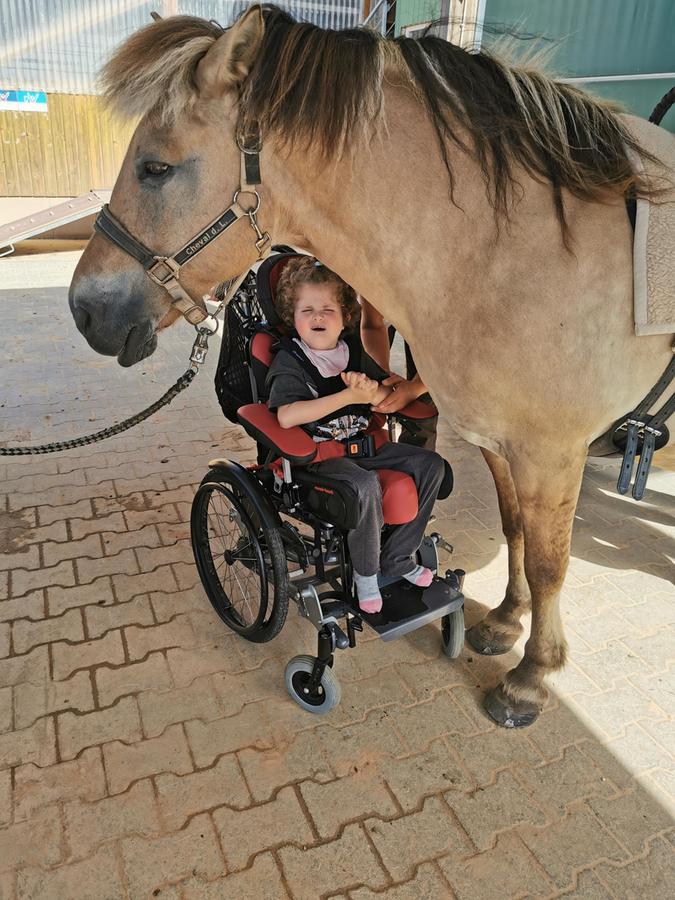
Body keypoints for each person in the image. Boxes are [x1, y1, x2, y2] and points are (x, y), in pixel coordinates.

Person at [266, 257, 446, 614]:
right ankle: (366, 574)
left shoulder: (352, 352)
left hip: (364, 447)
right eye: (308, 309)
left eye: (327, 309)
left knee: (431, 465)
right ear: (292, 315)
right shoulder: (290, 360)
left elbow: (379, 398)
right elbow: (286, 416)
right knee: (365, 486)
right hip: (318, 458)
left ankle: (397, 557)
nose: (318, 317)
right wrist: (348, 396)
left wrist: (374, 391)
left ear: (346, 314)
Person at [359, 299, 439, 451]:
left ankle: (418, 458)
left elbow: (445, 346)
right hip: (415, 306)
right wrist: (382, 376)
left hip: (438, 330)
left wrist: (416, 388)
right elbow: (372, 325)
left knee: (423, 402)